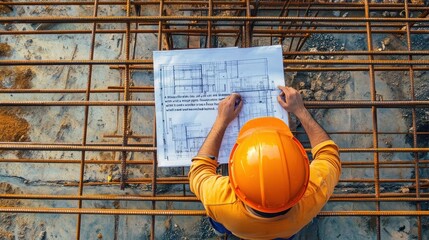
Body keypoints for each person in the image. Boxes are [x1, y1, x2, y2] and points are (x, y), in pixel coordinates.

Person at [188, 86, 341, 239]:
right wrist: (300, 110)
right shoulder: (312, 196)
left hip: (233, 224)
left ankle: (220, 230)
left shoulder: (219, 201)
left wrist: (221, 121)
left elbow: (199, 171)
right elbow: (329, 156)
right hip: (289, 229)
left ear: (233, 183)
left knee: (219, 222)